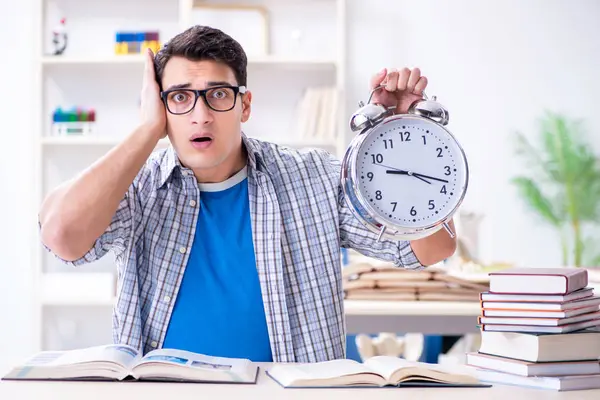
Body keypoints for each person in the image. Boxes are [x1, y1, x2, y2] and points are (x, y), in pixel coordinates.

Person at [39, 25, 457, 363]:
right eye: (180, 98)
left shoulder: (313, 177)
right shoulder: (139, 187)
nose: (200, 115)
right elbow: (61, 238)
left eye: (218, 94)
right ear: (160, 107)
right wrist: (146, 131)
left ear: (245, 105)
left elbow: (433, 246)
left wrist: (404, 135)